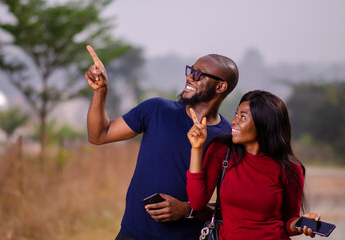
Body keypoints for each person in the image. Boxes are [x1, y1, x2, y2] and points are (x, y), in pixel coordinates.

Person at [84, 45, 239, 240]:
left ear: (220, 86)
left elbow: (231, 210)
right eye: (190, 70)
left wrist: (186, 210)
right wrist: (100, 92)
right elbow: (99, 135)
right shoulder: (156, 109)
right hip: (131, 234)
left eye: (199, 74)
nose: (190, 77)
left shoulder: (229, 138)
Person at [187, 90, 320, 240]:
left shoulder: (290, 168)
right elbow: (197, 203)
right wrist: (196, 148)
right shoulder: (222, 150)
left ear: (264, 123)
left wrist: (303, 224)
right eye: (236, 114)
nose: (234, 121)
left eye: (242, 117)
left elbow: (288, 222)